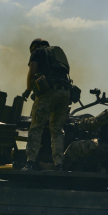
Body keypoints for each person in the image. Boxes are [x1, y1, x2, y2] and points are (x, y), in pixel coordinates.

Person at [22, 38, 72, 171]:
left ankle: (30, 162)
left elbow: (32, 72)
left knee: (36, 126)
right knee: (57, 130)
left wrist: (28, 90)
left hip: (49, 92)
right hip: (65, 93)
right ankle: (59, 164)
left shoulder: (37, 52)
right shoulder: (57, 54)